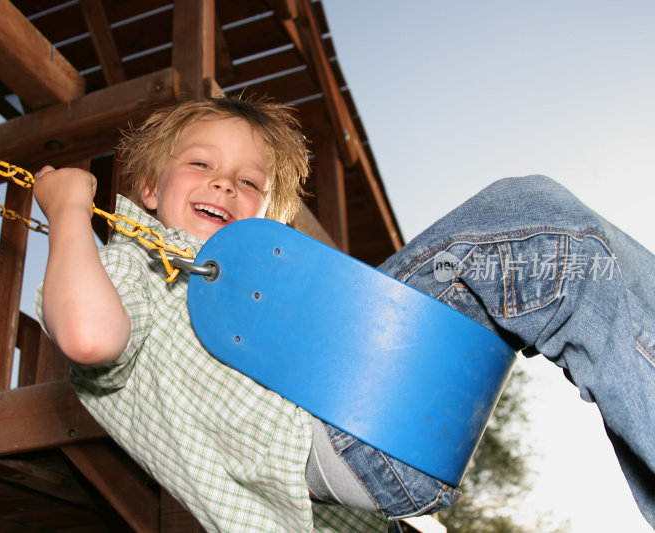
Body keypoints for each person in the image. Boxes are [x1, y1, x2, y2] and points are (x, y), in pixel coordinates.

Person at [34, 96, 655, 531]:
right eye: (200, 164)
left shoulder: (256, 289)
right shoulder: (129, 267)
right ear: (147, 189)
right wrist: (69, 209)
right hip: (347, 432)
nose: (225, 185)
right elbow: (89, 336)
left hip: (381, 448)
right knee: (536, 220)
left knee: (560, 259)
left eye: (250, 183)